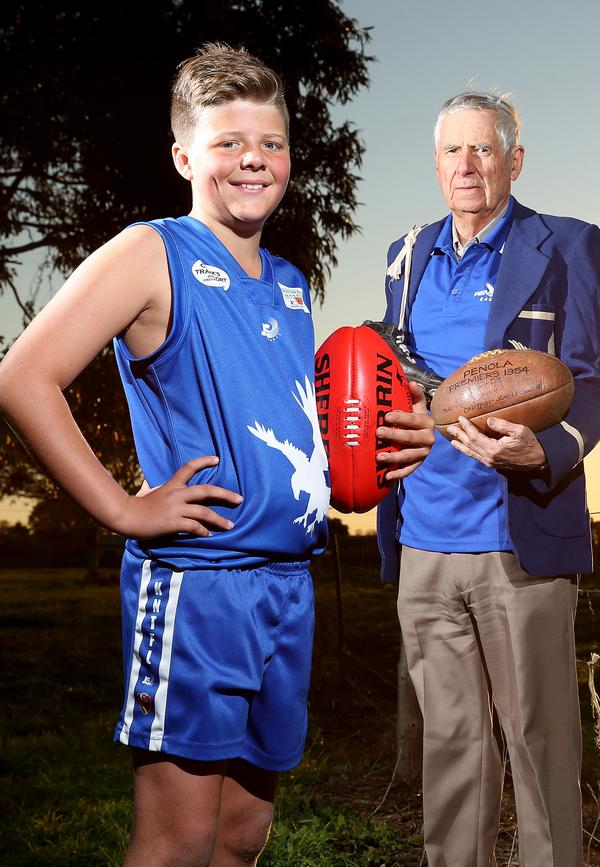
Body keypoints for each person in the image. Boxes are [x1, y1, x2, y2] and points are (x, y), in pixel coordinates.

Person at [0, 44, 434, 866]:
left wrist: (376, 452)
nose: (252, 160)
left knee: (242, 834)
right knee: (179, 838)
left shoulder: (291, 284)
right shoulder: (151, 252)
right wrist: (123, 508)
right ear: (184, 156)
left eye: (270, 143)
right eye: (228, 141)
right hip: (200, 586)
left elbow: (298, 427)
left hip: (286, 584)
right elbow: (23, 377)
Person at [377, 91, 600, 867]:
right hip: (423, 542)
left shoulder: (568, 245)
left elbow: (595, 379)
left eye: (483, 150)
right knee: (451, 753)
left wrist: (544, 453)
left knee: (540, 746)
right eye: (453, 151)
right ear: (436, 163)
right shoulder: (405, 255)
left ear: (515, 159)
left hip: (518, 541)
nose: (467, 166)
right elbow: (399, 378)